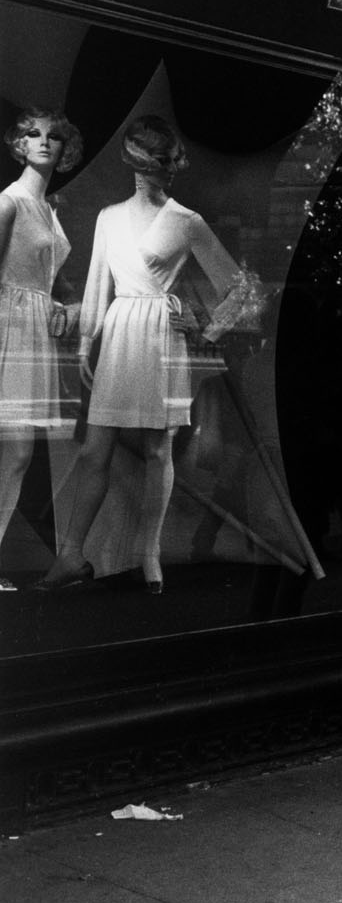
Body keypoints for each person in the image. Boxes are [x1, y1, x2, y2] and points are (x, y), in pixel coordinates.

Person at [35, 115, 240, 595]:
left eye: (159, 163)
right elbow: (98, 284)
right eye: (145, 161)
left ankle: (150, 555)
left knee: (156, 449)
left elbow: (238, 287)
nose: (151, 172)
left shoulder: (186, 222)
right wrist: (88, 339)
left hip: (160, 336)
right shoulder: (109, 217)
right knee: (95, 449)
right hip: (121, 332)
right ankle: (71, 555)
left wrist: (205, 327)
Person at [0, 108, 82, 590]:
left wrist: (65, 307)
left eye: (53, 136)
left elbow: (47, 278)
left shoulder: (47, 208)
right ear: (19, 143)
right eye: (33, 134)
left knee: (17, 455)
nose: (44, 142)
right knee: (14, 454)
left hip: (33, 330)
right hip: (8, 329)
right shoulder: (9, 203)